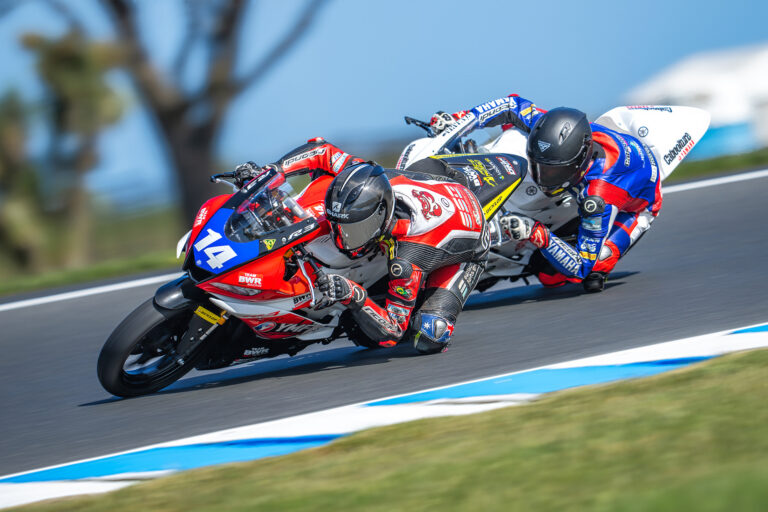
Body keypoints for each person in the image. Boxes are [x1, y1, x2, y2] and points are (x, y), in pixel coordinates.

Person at [233, 137, 489, 354]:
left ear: (381, 217)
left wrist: (352, 294)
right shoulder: (362, 176)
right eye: (338, 227)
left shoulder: (407, 259)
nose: (341, 238)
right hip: (438, 182)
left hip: (469, 245)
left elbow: (392, 331)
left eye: (354, 231)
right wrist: (271, 172)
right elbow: (321, 150)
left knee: (429, 336)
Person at [429, 95, 661, 292]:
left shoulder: (597, 197)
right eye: (538, 165)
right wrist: (458, 122)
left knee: (582, 270)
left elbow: (581, 265)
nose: (541, 175)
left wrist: (536, 232)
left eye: (552, 170)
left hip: (638, 208)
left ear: (578, 162)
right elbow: (511, 104)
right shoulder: (550, 129)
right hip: (613, 142)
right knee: (515, 132)